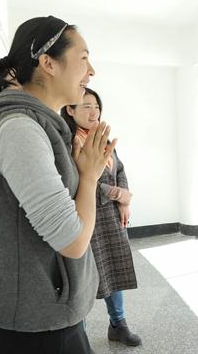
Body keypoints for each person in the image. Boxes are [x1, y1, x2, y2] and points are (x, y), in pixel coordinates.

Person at [0, 15, 116, 354]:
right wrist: (89, 177)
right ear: (48, 63)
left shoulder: (34, 126)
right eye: (84, 58)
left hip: (35, 312)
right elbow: (72, 241)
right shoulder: (18, 129)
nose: (91, 72)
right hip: (33, 324)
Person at [61, 88, 141, 346]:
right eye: (86, 106)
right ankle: (80, 335)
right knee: (83, 279)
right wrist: (118, 194)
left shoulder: (101, 138)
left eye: (96, 106)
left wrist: (124, 200)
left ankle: (118, 325)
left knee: (113, 270)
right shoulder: (68, 142)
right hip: (86, 217)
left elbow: (120, 169)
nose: (93, 111)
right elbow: (79, 181)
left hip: (111, 217)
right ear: (70, 110)